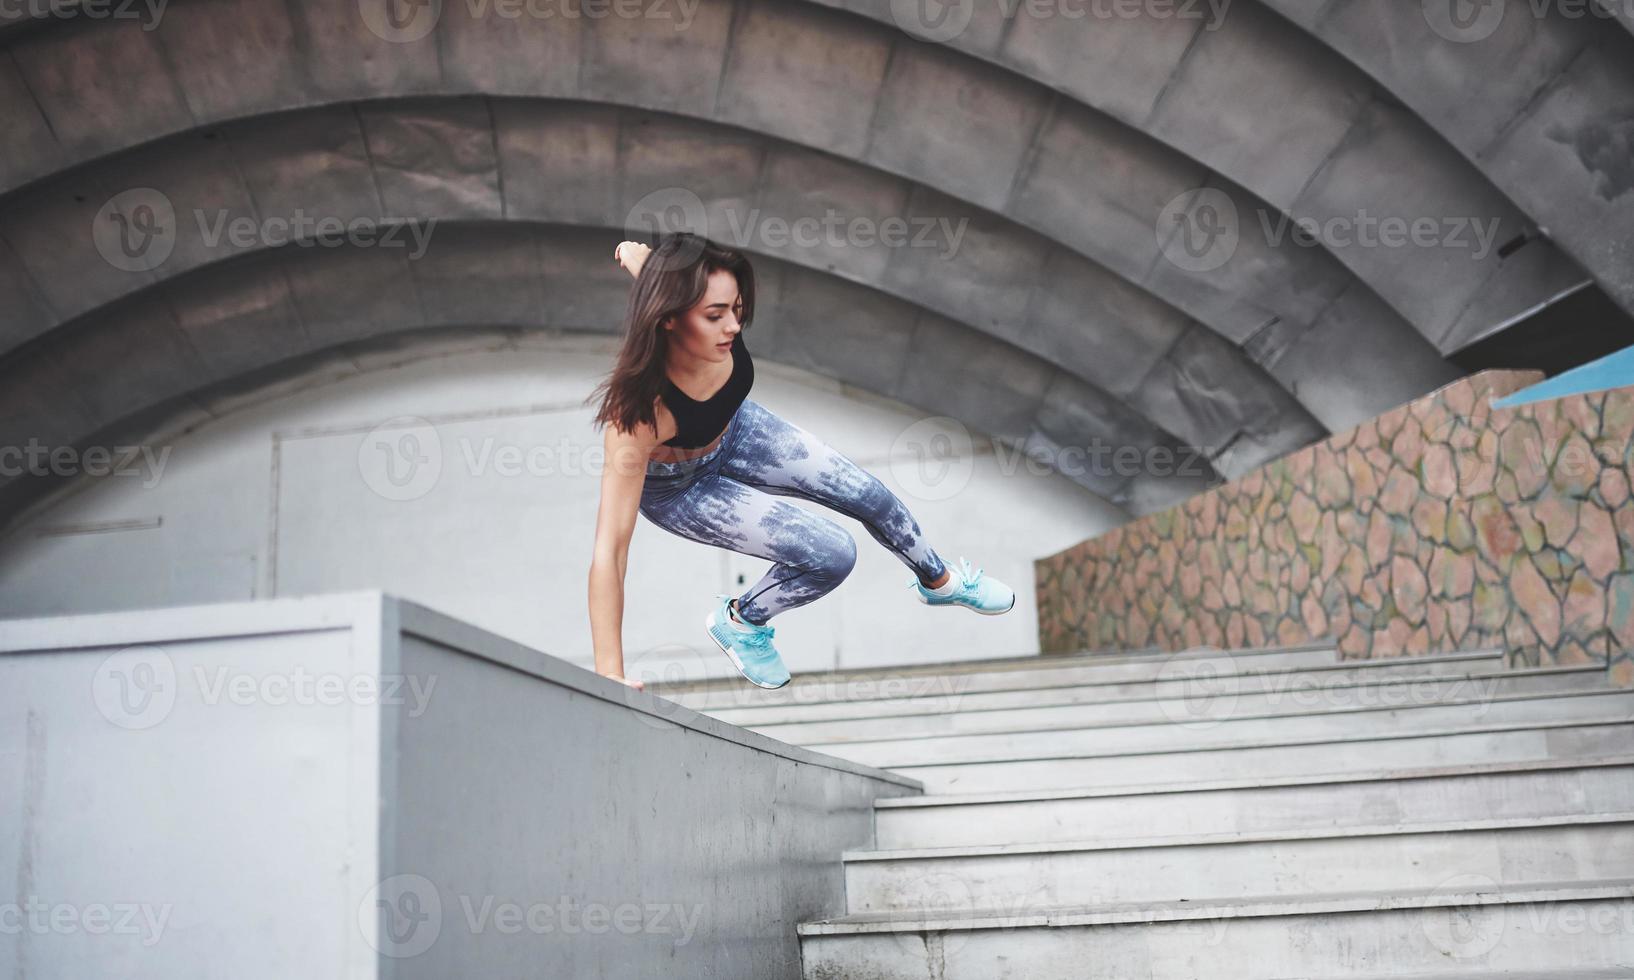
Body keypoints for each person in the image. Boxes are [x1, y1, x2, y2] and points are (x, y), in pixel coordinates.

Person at [585, 232, 1014, 692]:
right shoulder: (638, 417)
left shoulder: (705, 315)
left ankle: (940, 581)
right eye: (715, 316)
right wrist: (609, 672)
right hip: (681, 490)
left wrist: (642, 262)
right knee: (832, 554)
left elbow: (659, 278)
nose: (732, 327)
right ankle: (741, 621)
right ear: (668, 319)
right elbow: (610, 548)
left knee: (869, 495)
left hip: (738, 428)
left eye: (737, 310)